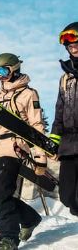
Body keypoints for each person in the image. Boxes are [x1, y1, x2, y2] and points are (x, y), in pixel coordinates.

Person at [0, 53, 47, 250]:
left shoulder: (29, 94)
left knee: (3, 192)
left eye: (3, 70)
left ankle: (9, 238)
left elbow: (37, 125)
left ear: (14, 69)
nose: (0, 76)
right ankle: (30, 219)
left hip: (14, 148)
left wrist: (40, 156)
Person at [50, 22, 78, 216]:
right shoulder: (65, 78)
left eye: (76, 43)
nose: (73, 47)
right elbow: (59, 110)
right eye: (70, 45)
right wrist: (54, 139)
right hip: (69, 143)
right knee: (67, 197)